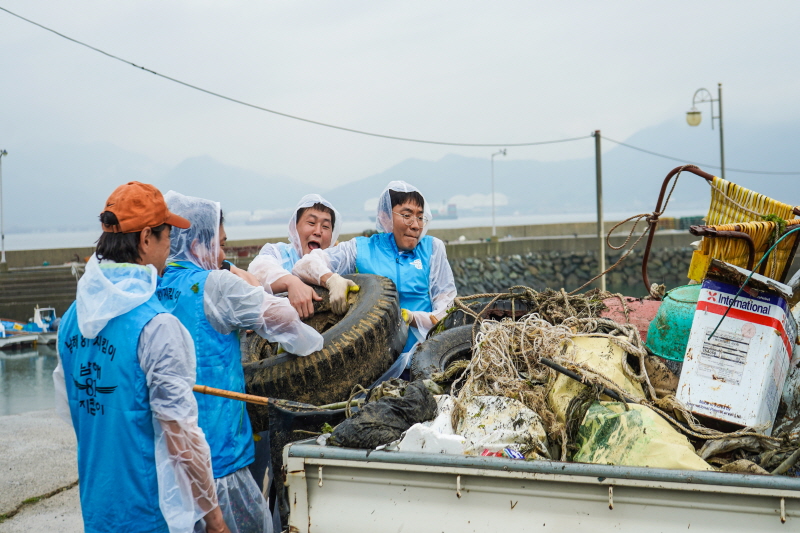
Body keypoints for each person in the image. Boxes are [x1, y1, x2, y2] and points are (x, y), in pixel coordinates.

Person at [53, 182, 230, 533]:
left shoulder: (72, 318)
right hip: (151, 514)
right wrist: (215, 518)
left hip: (98, 510)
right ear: (147, 238)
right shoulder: (158, 325)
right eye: (168, 239)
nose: (171, 251)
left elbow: (73, 409)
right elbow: (182, 440)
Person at [158, 191, 324, 533]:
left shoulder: (153, 281)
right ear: (198, 244)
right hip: (218, 454)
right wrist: (318, 342)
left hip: (166, 457)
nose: (222, 254)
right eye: (218, 245)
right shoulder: (215, 286)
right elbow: (282, 318)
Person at [292, 181, 457, 377]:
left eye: (420, 217)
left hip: (425, 359)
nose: (415, 225)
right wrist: (331, 280)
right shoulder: (359, 248)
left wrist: (413, 318)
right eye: (406, 215)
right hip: (373, 365)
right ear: (385, 217)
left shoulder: (432, 248)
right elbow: (304, 265)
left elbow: (447, 307)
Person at [248, 194, 340, 318]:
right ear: (294, 227)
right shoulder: (277, 252)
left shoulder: (336, 262)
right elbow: (259, 270)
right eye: (311, 223)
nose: (318, 232)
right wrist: (292, 283)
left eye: (325, 226)